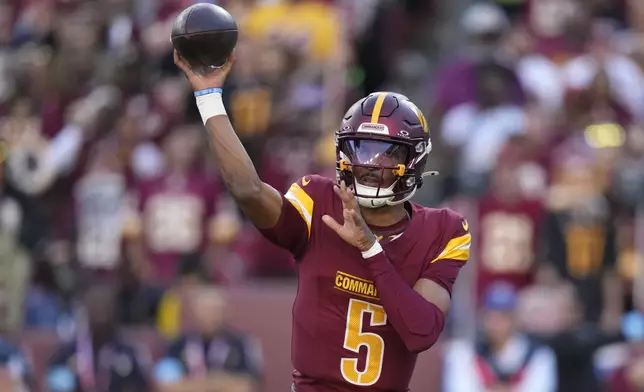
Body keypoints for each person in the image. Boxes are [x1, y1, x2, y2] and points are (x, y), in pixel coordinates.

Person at [174, 50, 470, 391]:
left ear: (415, 160)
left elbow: (421, 332)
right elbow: (247, 189)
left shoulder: (444, 230)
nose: (370, 164)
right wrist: (209, 96)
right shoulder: (318, 200)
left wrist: (369, 248)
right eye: (360, 148)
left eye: (387, 152)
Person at [154, 286, 262, 392]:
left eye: (215, 310)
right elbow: (167, 386)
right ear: (194, 313)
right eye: (205, 310)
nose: (210, 315)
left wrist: (193, 385)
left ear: (225, 313)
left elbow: (247, 386)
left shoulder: (241, 344)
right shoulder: (177, 344)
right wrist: (217, 384)